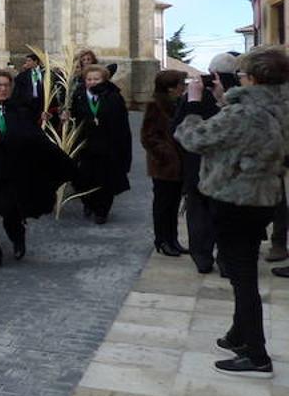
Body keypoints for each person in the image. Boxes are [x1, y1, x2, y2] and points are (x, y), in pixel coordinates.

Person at [175, 45, 289, 378]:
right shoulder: (280, 106)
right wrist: (227, 98)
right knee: (246, 267)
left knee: (243, 278)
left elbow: (194, 138)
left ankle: (256, 355)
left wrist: (194, 103)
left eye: (241, 75)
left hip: (235, 201)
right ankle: (239, 335)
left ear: (252, 78)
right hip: (263, 197)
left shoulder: (243, 114)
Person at [0, 69, 75, 270]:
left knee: (9, 210)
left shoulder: (20, 110)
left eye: (6, 85)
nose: (3, 89)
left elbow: (29, 138)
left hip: (12, 170)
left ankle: (18, 237)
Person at [172, 53, 239, 274]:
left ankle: (202, 257)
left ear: (213, 72)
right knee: (226, 215)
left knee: (199, 213)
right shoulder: (239, 95)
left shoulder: (196, 96)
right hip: (227, 168)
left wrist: (192, 102)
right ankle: (227, 261)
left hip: (198, 164)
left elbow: (178, 130)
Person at [69, 63, 132, 225]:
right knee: (83, 179)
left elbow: (121, 124)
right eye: (89, 79)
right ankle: (88, 203)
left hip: (107, 146)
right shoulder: (79, 96)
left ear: (104, 79)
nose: (92, 82)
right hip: (85, 146)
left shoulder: (113, 96)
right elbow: (73, 118)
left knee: (105, 181)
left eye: (96, 79)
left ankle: (102, 211)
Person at [141, 69, 188, 257]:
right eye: (180, 85)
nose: (183, 88)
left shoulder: (178, 104)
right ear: (170, 88)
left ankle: (173, 239)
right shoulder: (155, 106)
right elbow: (148, 137)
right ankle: (162, 240)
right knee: (163, 205)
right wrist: (167, 154)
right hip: (164, 165)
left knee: (173, 203)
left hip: (178, 164)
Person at [11, 51, 46, 116]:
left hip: (42, 102)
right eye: (26, 61)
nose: (27, 63)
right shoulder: (23, 75)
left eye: (29, 61)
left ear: (35, 61)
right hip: (29, 104)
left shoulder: (45, 73)